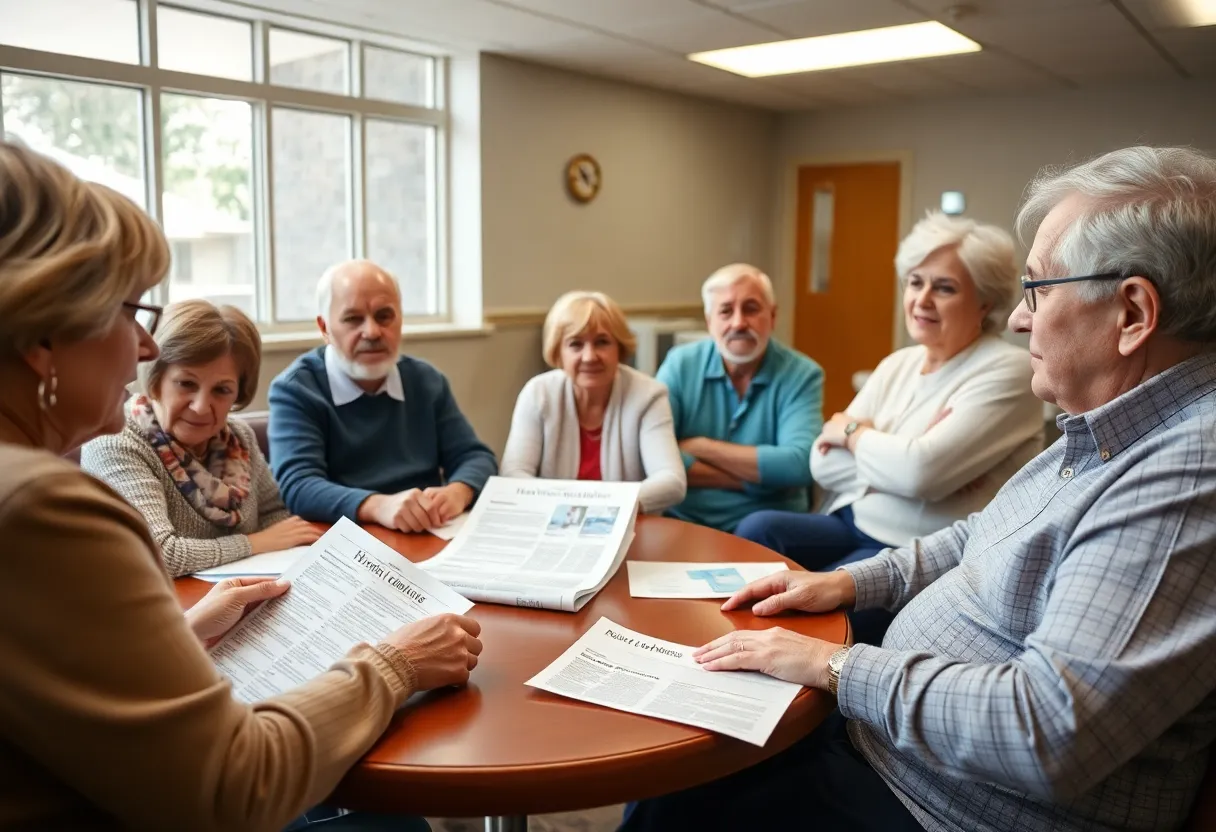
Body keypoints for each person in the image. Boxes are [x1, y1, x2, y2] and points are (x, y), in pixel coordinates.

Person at [621, 145, 1216, 832]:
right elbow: (975, 528)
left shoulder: (1185, 473)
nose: (1020, 319)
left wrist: (833, 665)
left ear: (1132, 314)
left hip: (942, 805)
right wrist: (849, 583)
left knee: (685, 788)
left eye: (1040, 289)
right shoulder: (1107, 428)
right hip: (897, 746)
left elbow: (1047, 729)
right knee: (692, 739)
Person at [0, 140, 481, 830]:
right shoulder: (40, 506)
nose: (145, 347)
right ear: (44, 335)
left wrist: (188, 630)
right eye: (130, 312)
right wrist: (396, 662)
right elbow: (234, 785)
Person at [735, 213, 1043, 642]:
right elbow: (822, 464)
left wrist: (854, 435)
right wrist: (903, 460)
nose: (922, 299)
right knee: (757, 530)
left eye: (945, 288)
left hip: (912, 549)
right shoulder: (899, 362)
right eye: (915, 282)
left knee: (804, 614)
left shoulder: (1008, 369)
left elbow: (919, 472)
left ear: (985, 303)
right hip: (852, 520)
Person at [82, 300, 321, 578]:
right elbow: (158, 554)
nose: (200, 407)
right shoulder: (116, 442)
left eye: (221, 390)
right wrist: (254, 544)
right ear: (156, 378)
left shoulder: (239, 438)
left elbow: (276, 517)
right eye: (186, 384)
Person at [269, 260, 497, 533]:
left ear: (400, 320)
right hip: (347, 538)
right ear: (324, 328)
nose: (372, 332)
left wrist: (458, 491)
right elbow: (298, 487)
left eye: (384, 316)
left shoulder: (427, 381)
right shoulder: (296, 390)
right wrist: (378, 506)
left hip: (426, 534)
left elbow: (476, 456)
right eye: (353, 319)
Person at [656, 263, 823, 532]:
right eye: (726, 311)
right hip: (686, 521)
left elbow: (799, 465)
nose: (738, 323)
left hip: (768, 527)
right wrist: (762, 481)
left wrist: (702, 447)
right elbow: (654, 453)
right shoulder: (680, 364)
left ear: (773, 316)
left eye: (751, 309)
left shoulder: (802, 374)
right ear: (710, 322)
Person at [500, 290, 685, 513]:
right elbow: (513, 475)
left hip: (628, 526)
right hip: (550, 523)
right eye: (575, 344)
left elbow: (672, 480)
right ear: (558, 352)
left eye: (602, 342)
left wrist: (600, 508)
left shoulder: (648, 395)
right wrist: (573, 508)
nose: (589, 356)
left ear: (620, 348)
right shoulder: (538, 393)